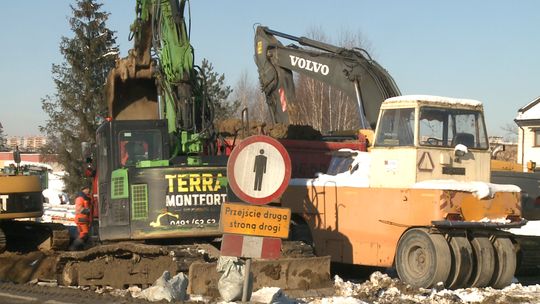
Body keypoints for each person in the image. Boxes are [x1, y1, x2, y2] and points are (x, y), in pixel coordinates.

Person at [70, 186, 92, 251]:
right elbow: (79, 208)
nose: (88, 190)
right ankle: (74, 248)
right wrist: (88, 211)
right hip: (81, 219)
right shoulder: (80, 198)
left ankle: (80, 248)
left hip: (84, 219)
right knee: (84, 234)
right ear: (83, 190)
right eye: (87, 189)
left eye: (88, 189)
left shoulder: (86, 198)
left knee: (85, 234)